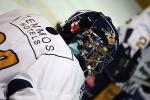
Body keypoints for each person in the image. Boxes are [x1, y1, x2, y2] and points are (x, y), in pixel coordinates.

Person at [0, 9, 118, 100]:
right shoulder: (69, 71)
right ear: (85, 44)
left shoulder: (25, 14)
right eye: (97, 55)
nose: (95, 63)